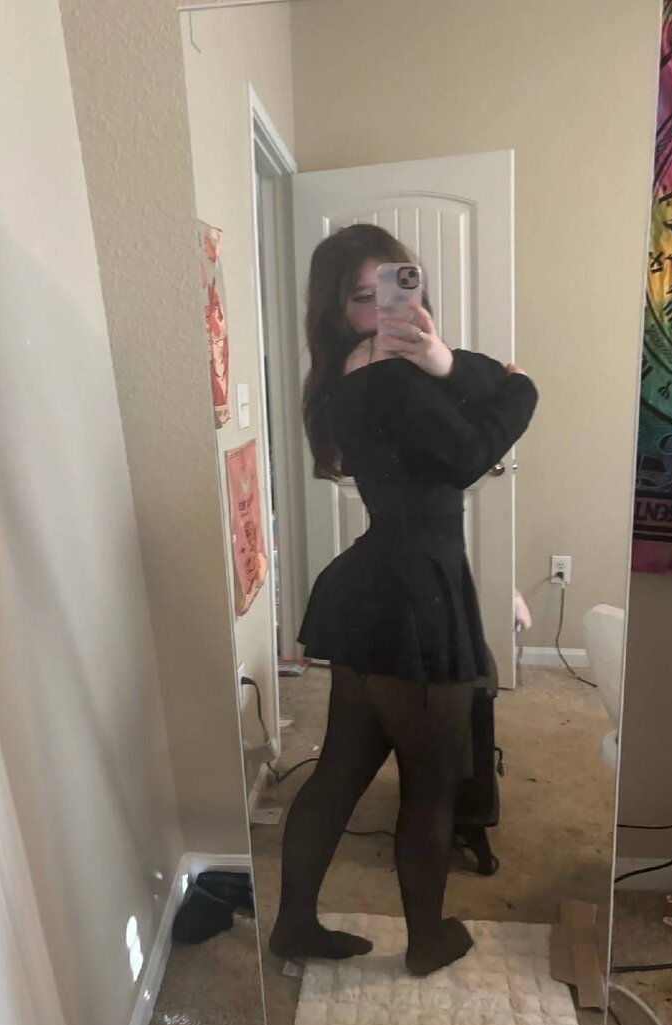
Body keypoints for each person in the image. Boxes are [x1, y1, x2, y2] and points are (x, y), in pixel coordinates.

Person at [268, 224, 538, 977]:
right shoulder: (388, 379)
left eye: (393, 284)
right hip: (415, 596)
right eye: (363, 296)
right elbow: (470, 450)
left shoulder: (357, 372)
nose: (382, 306)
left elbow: (471, 381)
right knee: (430, 785)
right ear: (337, 309)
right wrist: (524, 390)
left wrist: (441, 357)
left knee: (341, 770)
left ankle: (294, 925)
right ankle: (426, 940)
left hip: (378, 583)